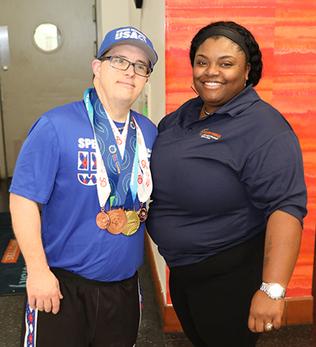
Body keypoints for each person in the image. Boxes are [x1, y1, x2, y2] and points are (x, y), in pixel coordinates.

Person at [146, 21, 307, 347]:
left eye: (226, 63)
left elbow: (285, 208)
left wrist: (272, 290)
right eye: (202, 61)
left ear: (247, 71)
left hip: (228, 276)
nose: (211, 72)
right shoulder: (183, 116)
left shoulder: (265, 128)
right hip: (183, 269)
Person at [9, 26, 158, 347]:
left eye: (140, 66)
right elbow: (22, 200)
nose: (130, 72)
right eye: (119, 60)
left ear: (146, 78)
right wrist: (37, 271)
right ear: (97, 67)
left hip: (124, 287)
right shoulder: (56, 125)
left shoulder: (149, 132)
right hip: (61, 286)